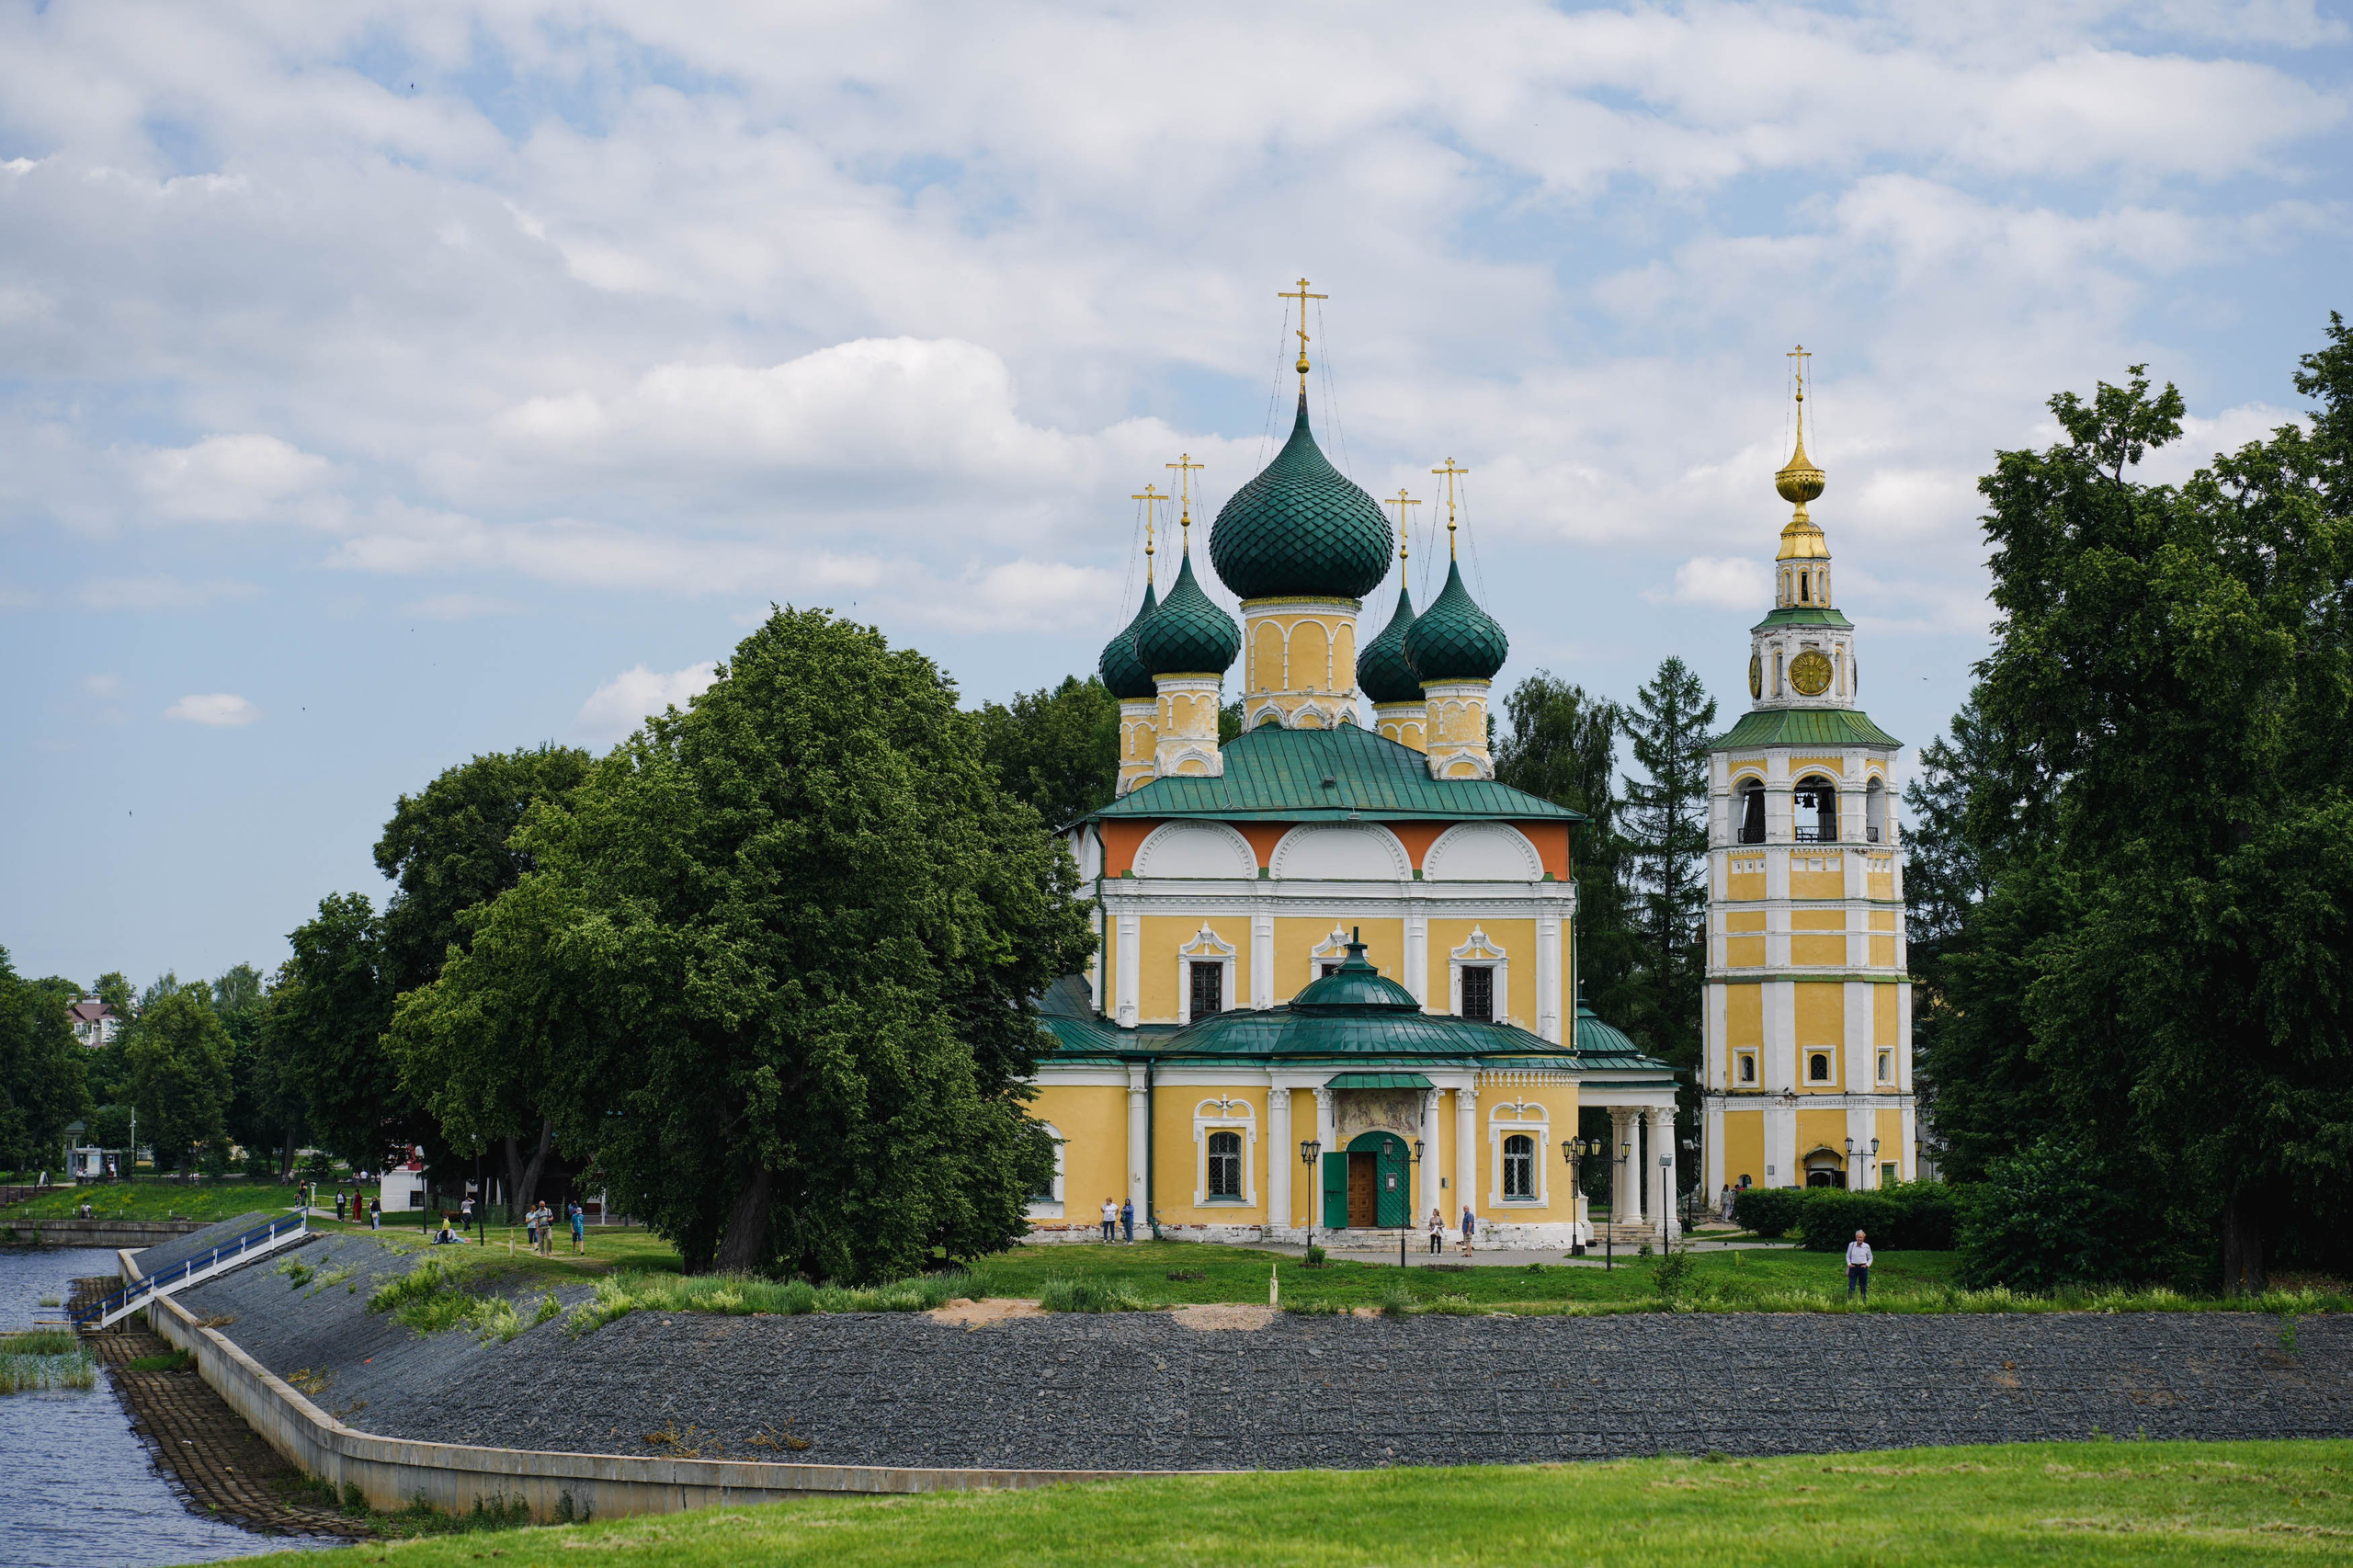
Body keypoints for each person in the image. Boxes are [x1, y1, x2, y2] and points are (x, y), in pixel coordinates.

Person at [1847, 1229, 1874, 1302]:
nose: (1860, 1239)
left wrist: (1867, 1265)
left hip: (1863, 1268)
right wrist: (1849, 1264)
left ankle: (1864, 1301)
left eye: (1861, 1237)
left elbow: (1870, 1257)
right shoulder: (1851, 1245)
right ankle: (1850, 1301)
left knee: (1863, 1286)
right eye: (1859, 1237)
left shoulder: (1866, 1246)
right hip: (1853, 1267)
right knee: (1852, 1285)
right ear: (1856, 1238)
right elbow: (1847, 1256)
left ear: (1863, 1238)